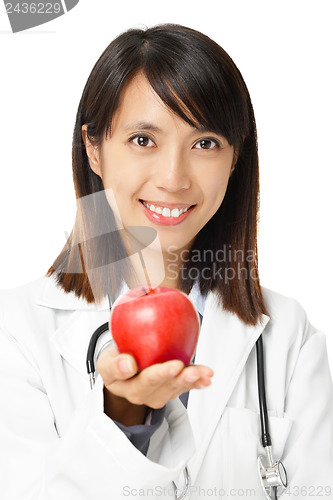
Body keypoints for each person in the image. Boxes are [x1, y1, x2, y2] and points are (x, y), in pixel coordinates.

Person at [0, 24, 332, 500]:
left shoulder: (288, 339)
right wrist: (121, 418)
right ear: (94, 148)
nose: (174, 178)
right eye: (143, 140)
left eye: (204, 144)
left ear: (236, 159)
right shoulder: (14, 331)